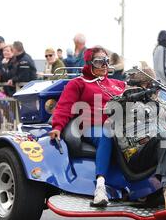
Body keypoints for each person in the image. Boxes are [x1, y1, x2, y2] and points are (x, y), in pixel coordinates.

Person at [49, 47, 126, 206]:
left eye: (106, 61)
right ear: (89, 64)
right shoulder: (78, 83)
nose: (104, 65)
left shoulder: (117, 84)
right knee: (108, 131)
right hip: (92, 127)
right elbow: (64, 106)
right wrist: (57, 126)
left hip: (121, 126)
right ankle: (100, 187)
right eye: (99, 62)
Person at [110, 66, 166, 209]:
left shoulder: (161, 104)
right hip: (136, 154)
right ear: (145, 85)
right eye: (153, 86)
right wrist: (140, 95)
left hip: (156, 148)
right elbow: (111, 109)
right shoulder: (125, 100)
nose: (157, 90)